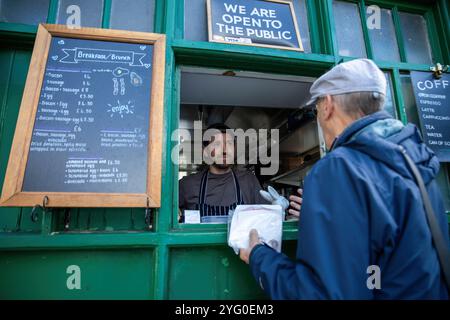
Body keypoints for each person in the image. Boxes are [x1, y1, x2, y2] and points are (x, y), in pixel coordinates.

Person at [239, 59, 450, 299]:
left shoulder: (339, 168)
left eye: (316, 109)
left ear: (327, 105)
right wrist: (323, 217)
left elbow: (320, 294)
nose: (318, 118)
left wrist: (258, 256)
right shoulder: (415, 159)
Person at [179, 123, 269, 223]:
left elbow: (266, 219)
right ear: (205, 152)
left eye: (229, 143)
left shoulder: (248, 181)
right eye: (217, 144)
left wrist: (279, 210)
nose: (225, 150)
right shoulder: (187, 184)